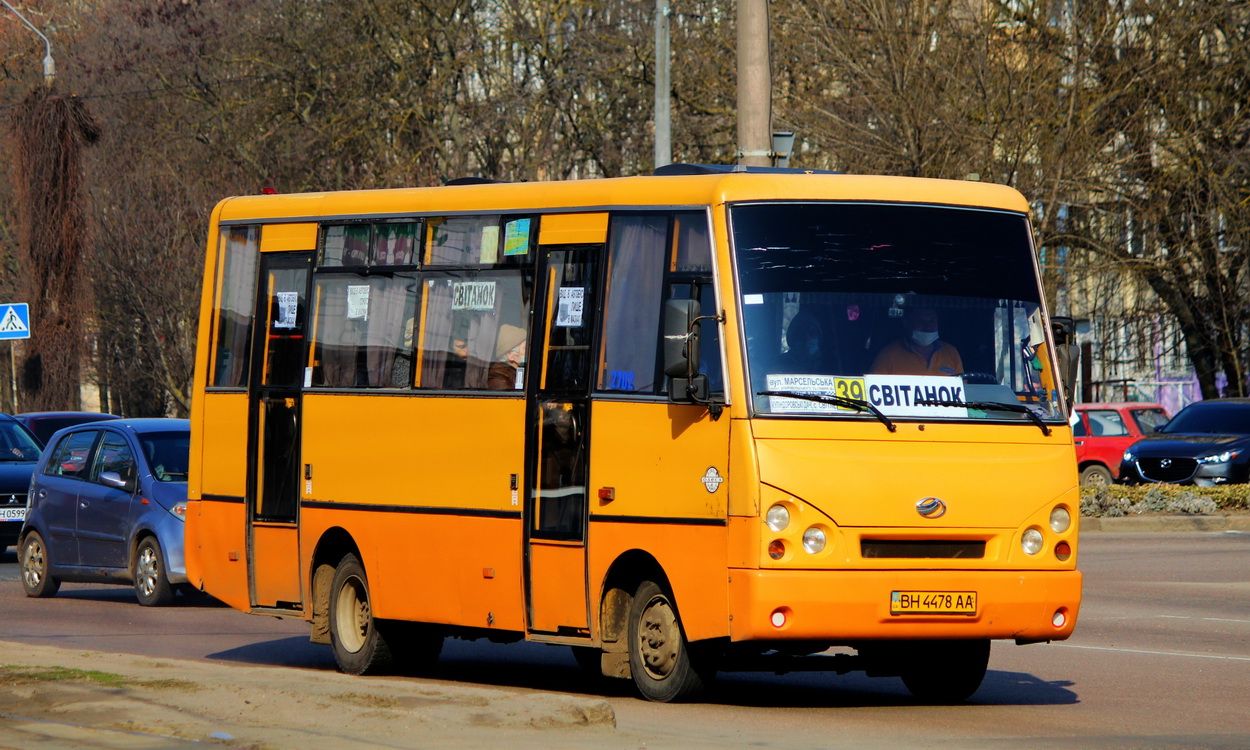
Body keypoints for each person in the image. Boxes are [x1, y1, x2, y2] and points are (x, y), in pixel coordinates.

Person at [871, 306, 963, 376]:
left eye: (932, 321)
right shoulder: (888, 354)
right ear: (907, 323)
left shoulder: (950, 353)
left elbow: (963, 389)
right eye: (920, 321)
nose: (927, 326)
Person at [488, 324, 527, 390]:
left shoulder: (517, 371)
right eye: (525, 348)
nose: (528, 352)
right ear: (510, 355)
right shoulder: (498, 379)